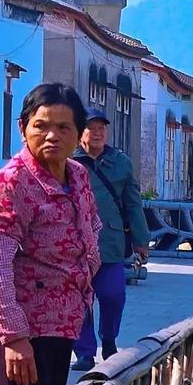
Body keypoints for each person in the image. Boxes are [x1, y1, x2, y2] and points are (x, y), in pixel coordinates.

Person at [0, 83, 102, 385]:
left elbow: (91, 226)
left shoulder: (77, 175)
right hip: (18, 331)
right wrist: (14, 338)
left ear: (78, 134)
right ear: (23, 128)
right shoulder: (10, 185)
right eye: (41, 125)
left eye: (63, 127)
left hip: (60, 326)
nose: (52, 136)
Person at [72, 106, 150, 369]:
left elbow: (133, 204)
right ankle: (84, 351)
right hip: (75, 245)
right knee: (79, 299)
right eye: (91, 128)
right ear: (79, 132)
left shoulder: (120, 162)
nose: (97, 133)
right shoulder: (69, 162)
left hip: (111, 242)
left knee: (113, 295)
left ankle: (108, 339)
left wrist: (141, 239)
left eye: (101, 128)